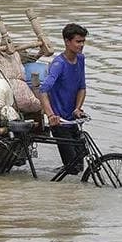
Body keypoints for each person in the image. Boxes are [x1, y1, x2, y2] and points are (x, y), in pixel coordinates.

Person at [40, 23, 88, 174]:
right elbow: (43, 90)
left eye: (83, 41)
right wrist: (51, 115)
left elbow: (82, 87)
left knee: (80, 166)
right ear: (67, 42)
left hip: (72, 118)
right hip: (60, 121)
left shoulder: (80, 59)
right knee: (73, 169)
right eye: (78, 41)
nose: (81, 45)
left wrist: (78, 108)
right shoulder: (58, 64)